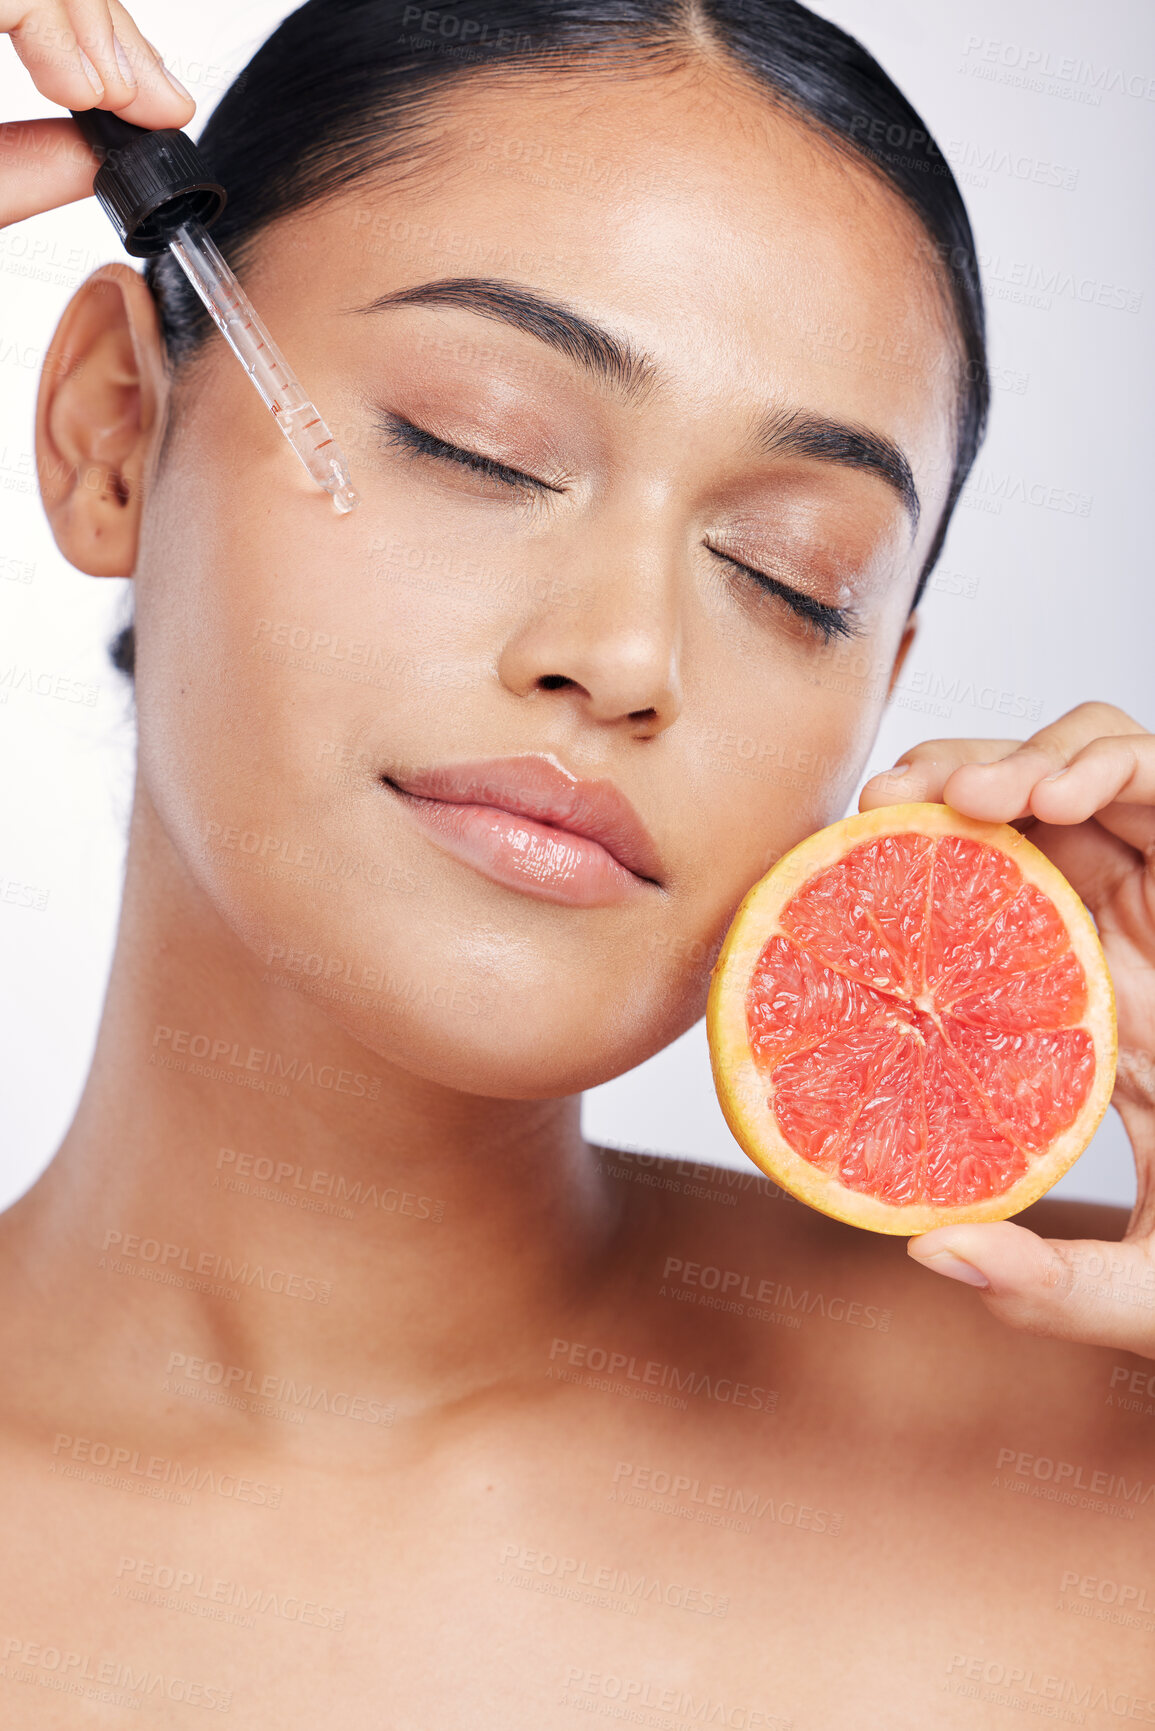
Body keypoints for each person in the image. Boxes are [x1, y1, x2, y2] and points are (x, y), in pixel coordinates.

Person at [2, 1, 1153, 1722]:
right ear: (112, 427)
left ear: (882, 687)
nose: (624, 653)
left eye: (789, 576)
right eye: (482, 443)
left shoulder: (1102, 1438)